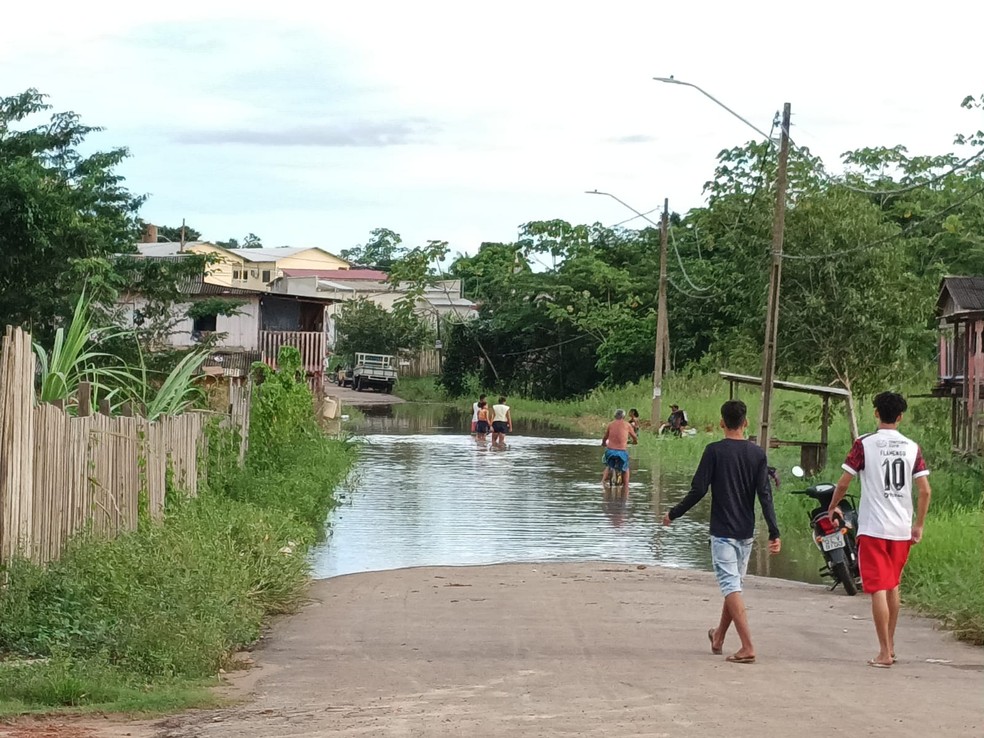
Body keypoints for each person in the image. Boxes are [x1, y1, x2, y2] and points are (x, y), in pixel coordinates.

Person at [661, 400, 781, 664]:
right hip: (745, 533)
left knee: (731, 587)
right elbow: (765, 495)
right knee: (734, 586)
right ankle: (718, 637)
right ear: (746, 423)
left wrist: (673, 513)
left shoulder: (714, 451)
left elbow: (698, 490)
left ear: (721, 423)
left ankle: (748, 646)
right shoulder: (757, 454)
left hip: (723, 532)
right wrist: (774, 531)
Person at [827, 392, 931, 669]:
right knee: (893, 585)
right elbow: (925, 490)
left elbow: (844, 482)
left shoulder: (864, 444)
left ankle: (884, 652)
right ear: (900, 417)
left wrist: (833, 506)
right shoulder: (912, 447)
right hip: (900, 529)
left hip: (874, 528)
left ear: (876, 413)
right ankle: (891, 645)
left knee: (878, 590)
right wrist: (917, 525)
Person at [601, 409, 638, 486]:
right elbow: (634, 437)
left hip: (610, 451)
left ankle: (603, 481)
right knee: (626, 468)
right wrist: (635, 442)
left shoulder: (610, 424)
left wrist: (604, 443)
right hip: (621, 452)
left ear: (615, 416)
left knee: (608, 465)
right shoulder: (627, 425)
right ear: (623, 416)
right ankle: (626, 486)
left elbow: (605, 437)